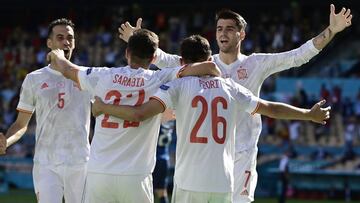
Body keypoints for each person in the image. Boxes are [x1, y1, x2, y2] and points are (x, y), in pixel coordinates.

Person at [118, 4, 352, 202]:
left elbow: (298, 55)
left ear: (242, 35)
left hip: (242, 153)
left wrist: (331, 30)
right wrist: (138, 41)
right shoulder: (205, 64)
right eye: (220, 28)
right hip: (209, 155)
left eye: (230, 29)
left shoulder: (256, 63)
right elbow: (167, 60)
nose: (223, 33)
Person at [91, 35, 330, 203]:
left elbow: (140, 112)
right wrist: (307, 114)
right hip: (222, 181)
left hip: (188, 179)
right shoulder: (230, 87)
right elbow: (270, 108)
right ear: (210, 59)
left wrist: (104, 106)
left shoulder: (176, 85)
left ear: (182, 63)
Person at [47, 29, 220, 203]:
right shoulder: (159, 78)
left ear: (127, 52)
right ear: (153, 58)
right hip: (136, 175)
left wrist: (57, 55)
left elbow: (68, 69)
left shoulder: (103, 75)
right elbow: (209, 67)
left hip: (99, 173)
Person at [0, 18, 91, 203]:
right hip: (46, 164)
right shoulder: (34, 79)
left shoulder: (88, 76)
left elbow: (105, 111)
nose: (66, 42)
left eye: (70, 38)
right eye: (60, 37)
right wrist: (6, 142)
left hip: (81, 163)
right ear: (49, 43)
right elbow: (20, 124)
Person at [153, 121, 174, 203]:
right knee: (162, 191)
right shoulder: (170, 121)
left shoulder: (158, 120)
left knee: (146, 191)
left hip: (154, 159)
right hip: (165, 159)